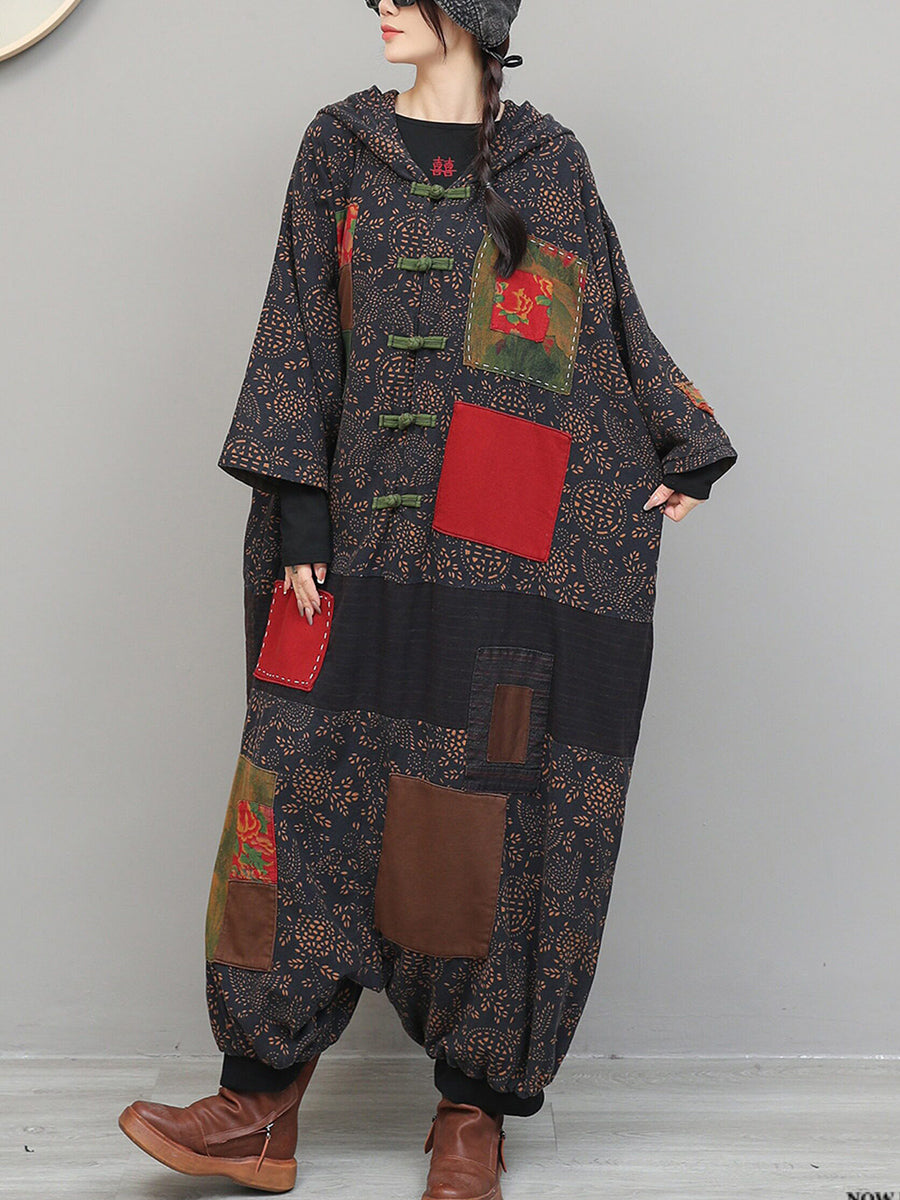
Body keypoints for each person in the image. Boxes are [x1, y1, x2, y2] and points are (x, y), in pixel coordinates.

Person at [118, 2, 738, 1197]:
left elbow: (605, 323)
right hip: (347, 540)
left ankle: (472, 1113)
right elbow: (298, 325)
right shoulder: (337, 145)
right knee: (298, 781)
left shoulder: (548, 161)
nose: (380, 6)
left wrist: (682, 441)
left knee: (485, 803)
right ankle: (257, 1105)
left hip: (498, 560)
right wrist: (300, 511)